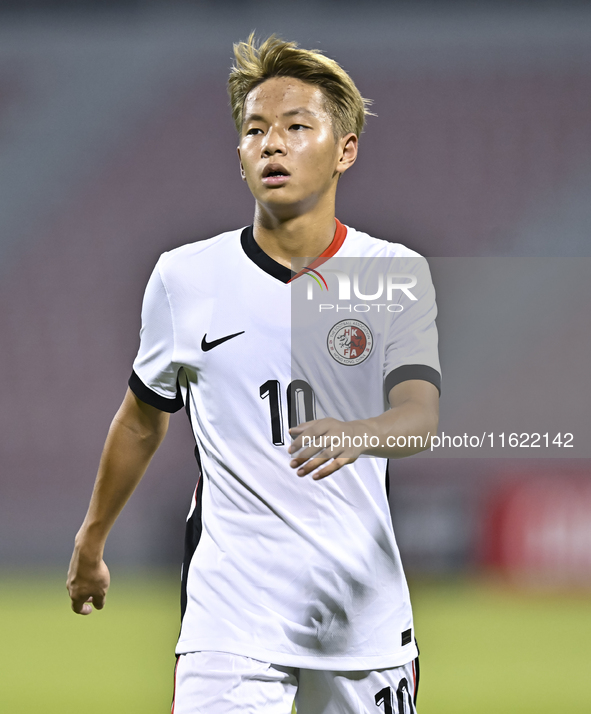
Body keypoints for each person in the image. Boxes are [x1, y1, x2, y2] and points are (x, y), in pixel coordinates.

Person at [67, 35, 440, 713]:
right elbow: (141, 420)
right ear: (239, 154)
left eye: (297, 127)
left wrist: (361, 432)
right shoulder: (186, 278)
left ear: (344, 150)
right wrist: (91, 539)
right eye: (255, 131)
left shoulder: (393, 272)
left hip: (363, 619)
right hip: (230, 621)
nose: (272, 144)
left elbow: (419, 415)